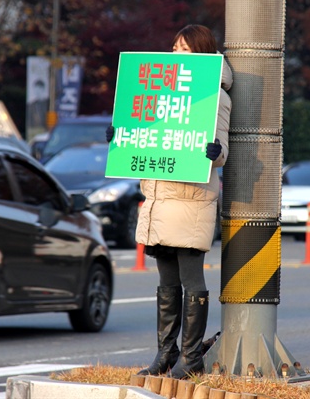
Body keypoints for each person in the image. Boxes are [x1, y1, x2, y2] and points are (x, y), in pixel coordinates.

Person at [106, 24, 232, 379]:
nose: (177, 54)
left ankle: (191, 358)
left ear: (202, 54)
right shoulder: (161, 91)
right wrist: (121, 138)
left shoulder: (215, 94)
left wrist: (216, 151)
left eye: (185, 50)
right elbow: (150, 133)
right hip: (160, 198)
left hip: (191, 199)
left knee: (191, 278)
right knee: (166, 282)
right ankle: (167, 352)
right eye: (174, 48)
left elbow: (222, 149)